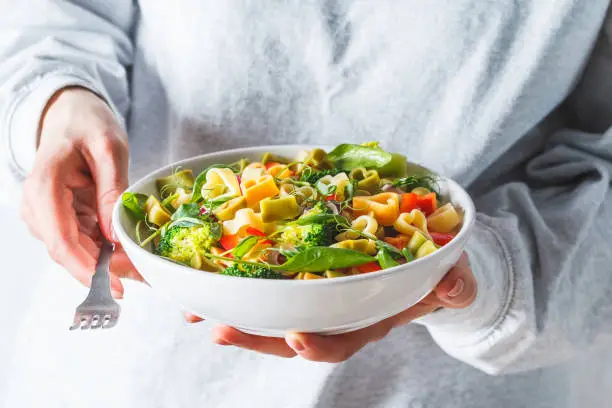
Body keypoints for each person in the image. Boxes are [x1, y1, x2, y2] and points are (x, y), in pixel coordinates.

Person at [1, 1, 612, 407]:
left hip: (455, 382)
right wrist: (58, 100)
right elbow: (56, 14)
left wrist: (461, 274)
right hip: (132, 362)